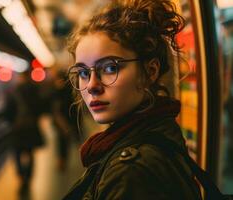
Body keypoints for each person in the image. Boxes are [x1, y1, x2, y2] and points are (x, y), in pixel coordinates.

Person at [63, 0, 203, 199]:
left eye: (110, 68)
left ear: (149, 71)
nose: (92, 86)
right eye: (84, 72)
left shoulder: (130, 172)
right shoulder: (160, 131)